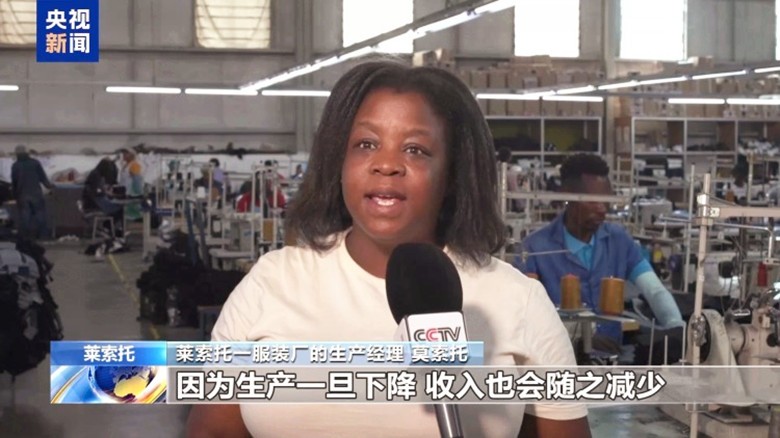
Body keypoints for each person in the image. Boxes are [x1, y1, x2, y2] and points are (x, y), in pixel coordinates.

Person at [186, 61, 590, 438]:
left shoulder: (518, 301)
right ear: (339, 161)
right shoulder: (272, 283)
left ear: (452, 173)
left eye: (415, 149)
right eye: (366, 144)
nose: (387, 164)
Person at [517, 154, 684, 333]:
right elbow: (523, 315)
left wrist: (677, 327)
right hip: (559, 350)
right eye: (593, 201)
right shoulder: (533, 249)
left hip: (613, 350)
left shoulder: (619, 241)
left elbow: (655, 291)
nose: (602, 209)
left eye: (606, 200)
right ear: (568, 195)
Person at [11, 145, 54, 239]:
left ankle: (24, 238)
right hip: (36, 194)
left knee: (25, 217)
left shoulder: (15, 166)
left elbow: (14, 182)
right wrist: (50, 187)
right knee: (40, 215)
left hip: (22, 195)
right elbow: (43, 177)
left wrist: (14, 195)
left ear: (17, 154)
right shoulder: (35, 163)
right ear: (27, 153)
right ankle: (44, 236)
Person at [82, 158, 125, 237]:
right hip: (95, 204)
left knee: (118, 208)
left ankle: (109, 227)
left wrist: (106, 193)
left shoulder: (95, 174)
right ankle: (111, 227)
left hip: (91, 202)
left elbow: (99, 190)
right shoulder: (96, 177)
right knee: (121, 209)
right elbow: (98, 192)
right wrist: (110, 194)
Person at [119, 149, 143, 220]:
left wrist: (137, 193)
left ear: (131, 155)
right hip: (124, 191)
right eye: (123, 154)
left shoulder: (134, 165)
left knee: (133, 210)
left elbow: (137, 180)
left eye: (125, 154)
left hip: (131, 192)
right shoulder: (125, 165)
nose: (123, 156)